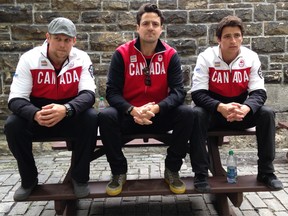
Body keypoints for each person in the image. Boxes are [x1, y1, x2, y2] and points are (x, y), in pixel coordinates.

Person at [98, 3, 208, 196]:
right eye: (146, 23)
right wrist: (133, 110)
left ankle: (172, 169)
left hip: (159, 115)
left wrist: (156, 108)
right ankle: (118, 171)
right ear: (137, 27)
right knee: (106, 116)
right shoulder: (122, 54)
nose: (150, 27)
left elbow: (178, 92)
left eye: (155, 24)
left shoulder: (170, 55)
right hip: (129, 116)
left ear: (161, 28)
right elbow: (112, 92)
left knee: (187, 113)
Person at [4, 17, 98, 201]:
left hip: (69, 115)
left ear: (74, 41)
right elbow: (15, 99)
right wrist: (34, 114)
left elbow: (89, 94)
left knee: (91, 117)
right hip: (39, 116)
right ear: (48, 37)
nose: (62, 45)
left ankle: (79, 179)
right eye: (58, 39)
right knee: (12, 125)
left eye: (67, 40)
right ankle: (29, 180)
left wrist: (67, 109)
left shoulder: (82, 58)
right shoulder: (29, 59)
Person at [190, 15, 283, 190]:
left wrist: (247, 108)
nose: (233, 40)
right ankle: (201, 174)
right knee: (196, 114)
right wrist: (221, 107)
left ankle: (266, 172)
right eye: (227, 36)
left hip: (241, 113)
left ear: (242, 37)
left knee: (267, 113)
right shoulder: (206, 57)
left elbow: (259, 92)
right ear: (218, 39)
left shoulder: (251, 57)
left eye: (237, 35)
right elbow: (198, 94)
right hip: (214, 114)